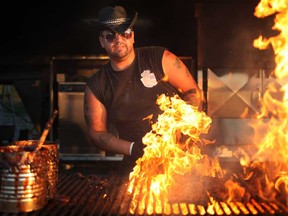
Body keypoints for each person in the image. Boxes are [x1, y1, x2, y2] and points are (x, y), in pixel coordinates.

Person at [84, 5, 203, 173]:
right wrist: (135, 148)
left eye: (125, 33)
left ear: (133, 36)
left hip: (181, 160)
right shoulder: (97, 85)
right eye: (111, 36)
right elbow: (96, 133)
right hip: (137, 166)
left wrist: (178, 130)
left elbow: (193, 92)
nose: (119, 40)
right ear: (102, 41)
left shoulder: (160, 58)